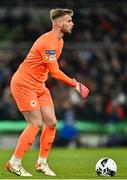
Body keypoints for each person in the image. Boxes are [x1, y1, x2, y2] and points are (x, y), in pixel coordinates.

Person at [5, 8, 89, 177]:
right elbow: (56, 73)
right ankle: (14, 162)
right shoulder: (48, 42)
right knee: (35, 123)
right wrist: (76, 84)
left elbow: (47, 71)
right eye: (69, 21)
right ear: (59, 23)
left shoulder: (60, 41)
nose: (72, 23)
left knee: (51, 122)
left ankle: (42, 163)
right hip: (24, 83)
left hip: (38, 85)